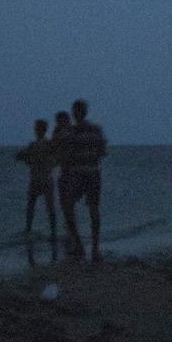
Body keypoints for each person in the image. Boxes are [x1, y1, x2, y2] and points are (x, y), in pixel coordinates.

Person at [61, 100, 107, 262]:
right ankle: (94, 249)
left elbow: (67, 155)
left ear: (75, 113)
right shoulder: (96, 130)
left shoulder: (71, 132)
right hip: (93, 172)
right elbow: (102, 151)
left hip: (78, 173)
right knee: (93, 209)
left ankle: (80, 245)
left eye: (75, 111)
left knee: (68, 207)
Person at [16, 119, 58, 263]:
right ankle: (53, 233)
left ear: (37, 130)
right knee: (50, 207)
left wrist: (26, 158)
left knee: (31, 207)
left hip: (36, 179)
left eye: (36, 128)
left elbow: (22, 157)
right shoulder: (49, 144)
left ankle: (28, 231)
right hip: (47, 178)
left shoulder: (33, 145)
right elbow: (56, 159)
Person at [51, 111, 74, 256]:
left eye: (61, 120)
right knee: (66, 202)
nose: (59, 123)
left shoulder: (67, 133)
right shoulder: (60, 133)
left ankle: (70, 231)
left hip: (71, 172)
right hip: (65, 172)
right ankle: (69, 229)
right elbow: (55, 153)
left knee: (67, 202)